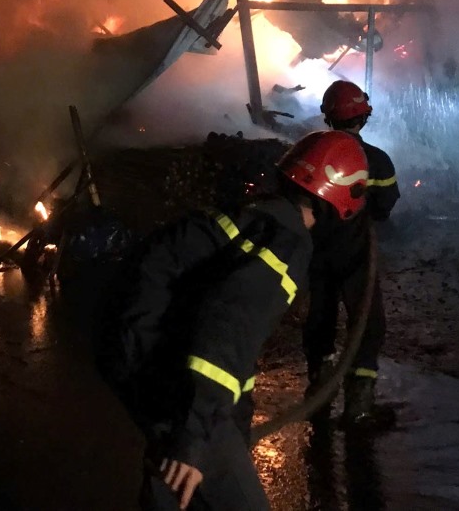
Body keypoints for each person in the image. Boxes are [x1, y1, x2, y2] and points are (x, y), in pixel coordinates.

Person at [95, 131, 370, 510]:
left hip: (132, 343)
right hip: (161, 363)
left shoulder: (259, 215)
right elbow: (226, 328)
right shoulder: (287, 241)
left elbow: (234, 338)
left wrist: (236, 425)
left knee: (173, 480)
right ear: (342, 200)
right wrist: (194, 437)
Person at [303, 80, 400, 427]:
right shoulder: (377, 160)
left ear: (327, 116)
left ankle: (319, 395)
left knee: (320, 320)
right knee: (367, 324)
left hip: (316, 254)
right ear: (363, 117)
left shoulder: (311, 151)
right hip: (357, 255)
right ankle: (358, 405)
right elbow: (384, 206)